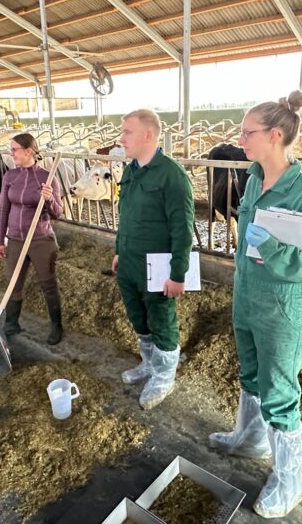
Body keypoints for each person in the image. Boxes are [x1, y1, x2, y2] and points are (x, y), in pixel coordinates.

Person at [207, 92, 302, 518]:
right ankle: (251, 439)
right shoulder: (252, 180)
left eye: (248, 132)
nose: (240, 139)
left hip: (282, 311)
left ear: (275, 135)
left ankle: (290, 479)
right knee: (249, 374)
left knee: (280, 394)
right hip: (247, 300)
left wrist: (277, 252)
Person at [112, 109, 195, 410]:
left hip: (157, 267)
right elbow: (126, 216)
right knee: (138, 317)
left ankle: (164, 376)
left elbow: (183, 230)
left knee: (161, 321)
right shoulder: (130, 170)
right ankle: (149, 364)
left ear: (148, 135)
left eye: (127, 132)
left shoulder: (172, 175)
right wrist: (119, 251)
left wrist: (178, 274)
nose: (121, 138)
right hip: (130, 262)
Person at [0, 133, 66, 345]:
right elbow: (2, 210)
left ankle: (56, 325)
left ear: (28, 151)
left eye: (14, 149)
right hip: (15, 239)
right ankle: (11, 324)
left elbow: (58, 213)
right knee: (13, 283)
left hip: (41, 240)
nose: (11, 153)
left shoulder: (47, 177)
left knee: (48, 284)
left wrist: (49, 198)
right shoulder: (10, 177)